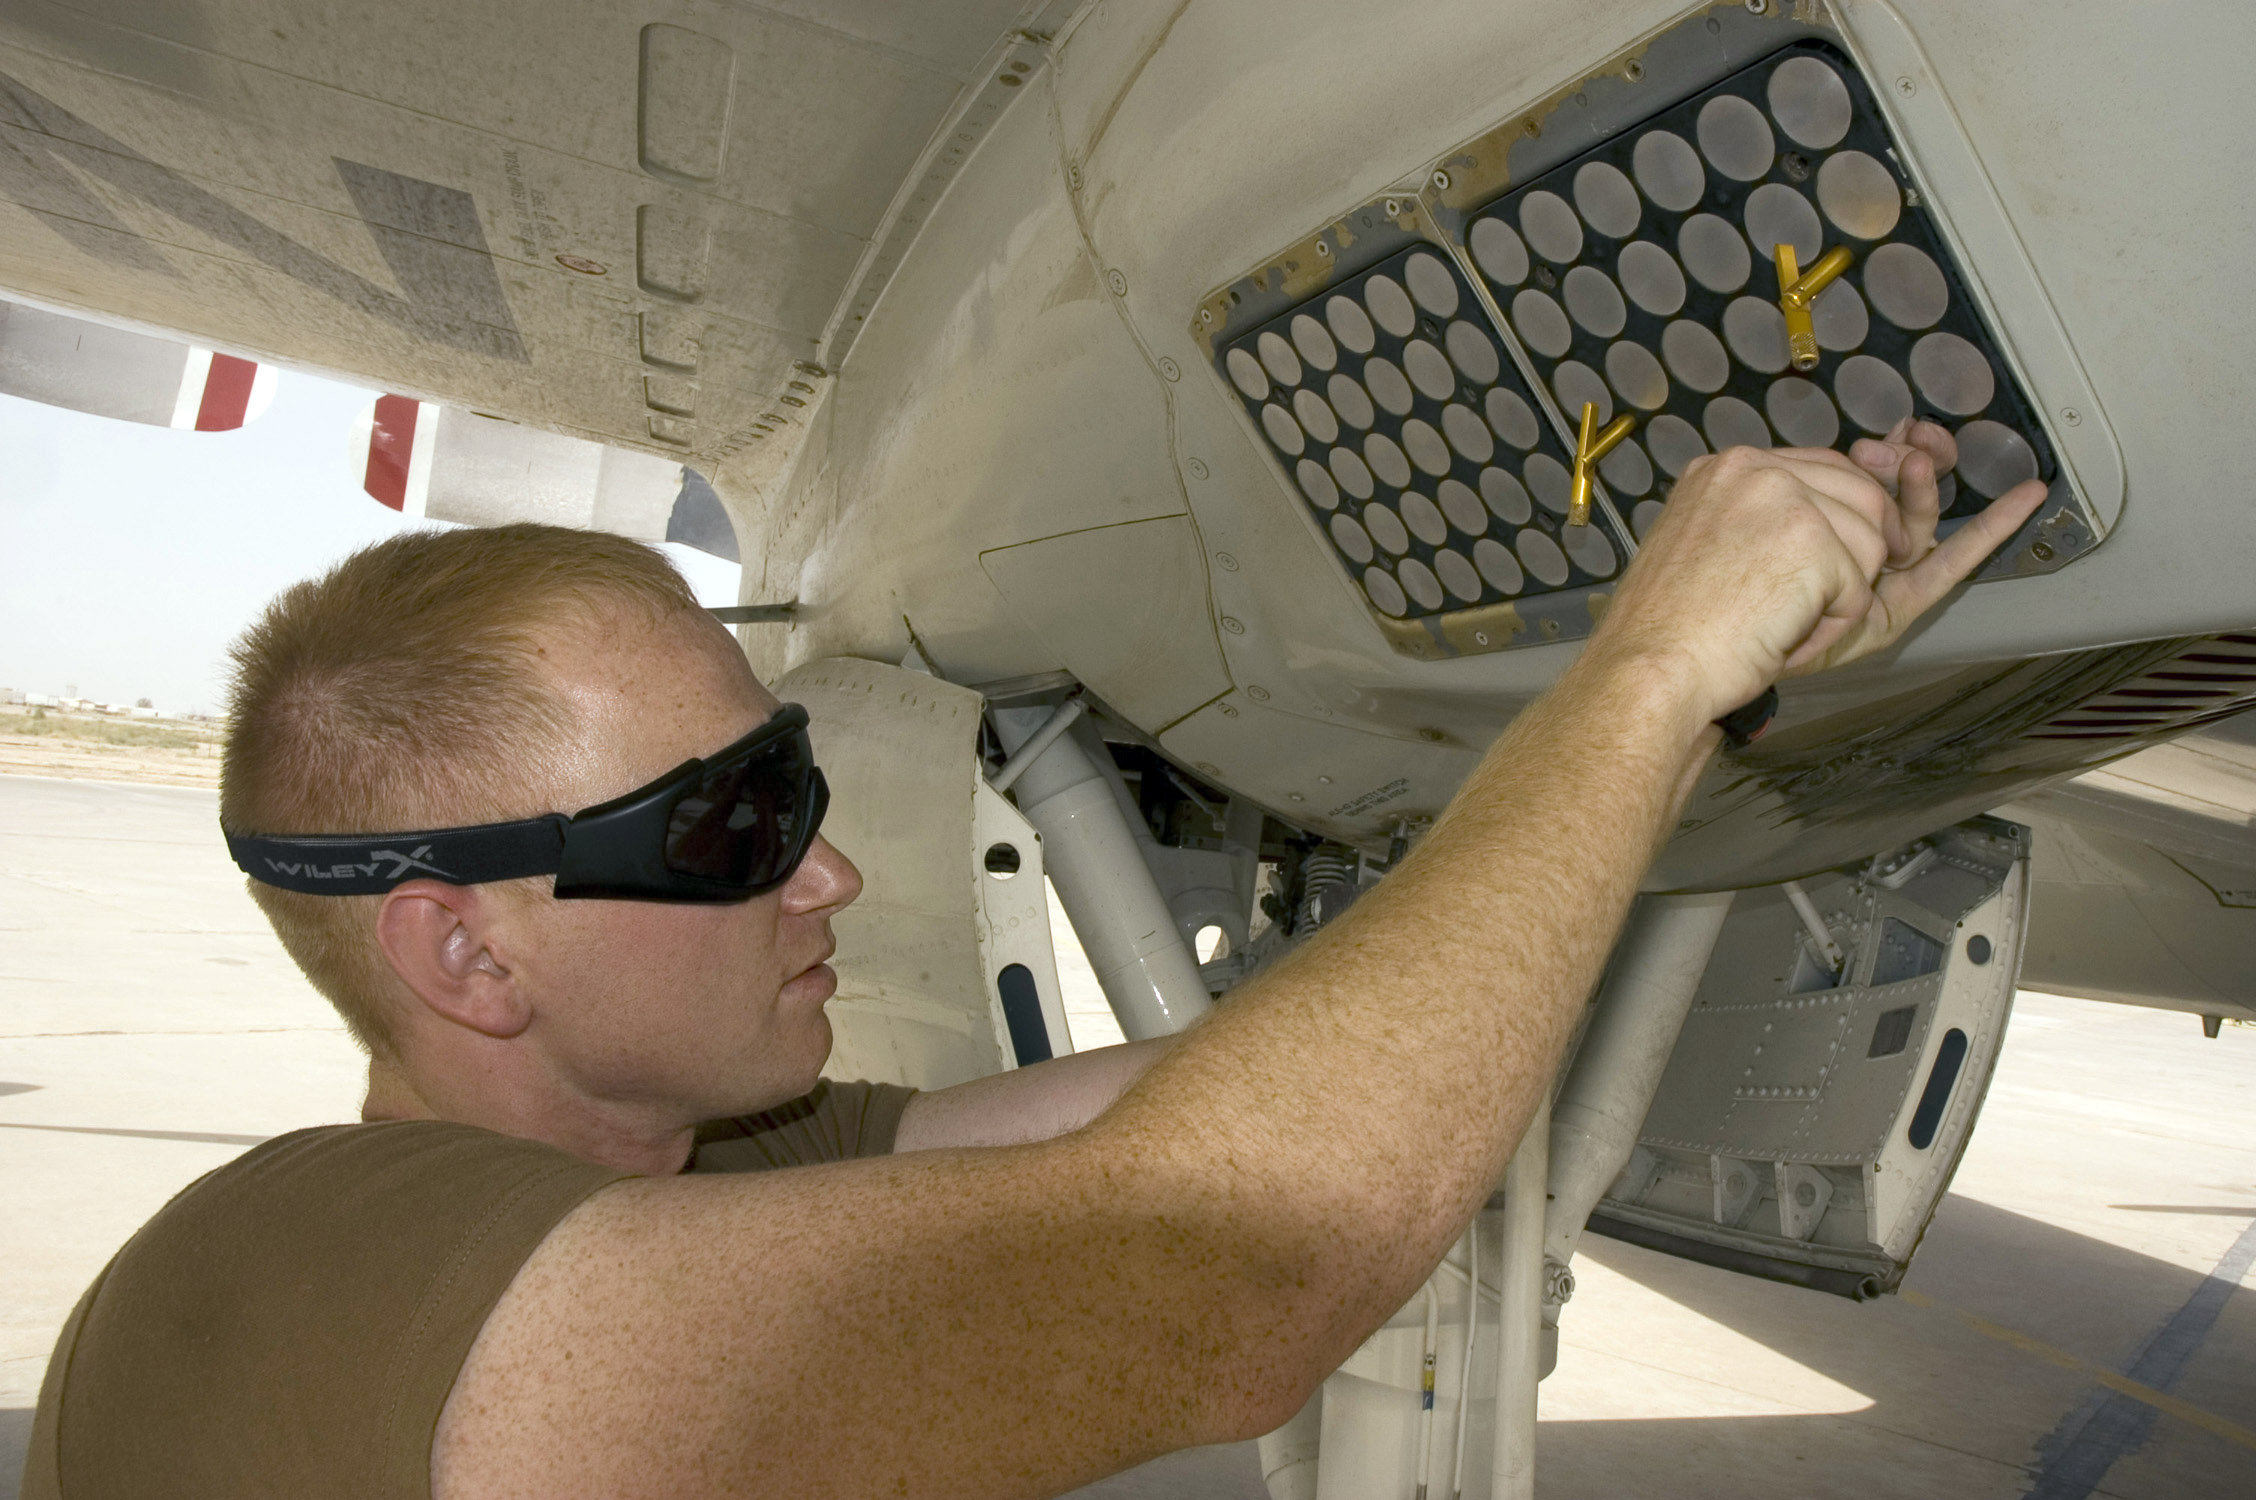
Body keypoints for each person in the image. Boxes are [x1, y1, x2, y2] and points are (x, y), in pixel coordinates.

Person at [22, 424, 2042, 1498]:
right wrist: (1642, 673)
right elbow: (1225, 1260)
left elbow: (1231, 1099)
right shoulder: (291, 1262)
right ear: (459, 950)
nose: (830, 876)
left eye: (790, 781)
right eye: (729, 831)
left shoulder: (709, 1166)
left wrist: (1677, 732)